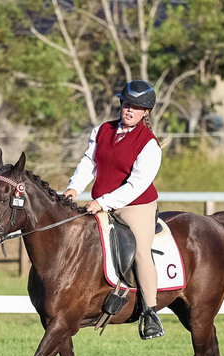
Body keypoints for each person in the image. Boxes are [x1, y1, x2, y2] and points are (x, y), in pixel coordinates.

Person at [64, 80, 164, 340]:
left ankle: (150, 313)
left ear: (146, 113)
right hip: (101, 202)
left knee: (141, 252)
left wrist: (103, 202)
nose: (129, 110)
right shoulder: (102, 130)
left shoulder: (149, 145)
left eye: (136, 107)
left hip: (135, 205)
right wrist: (74, 188)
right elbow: (89, 162)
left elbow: (136, 185)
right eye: (127, 104)